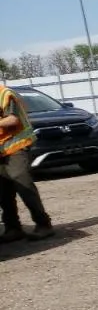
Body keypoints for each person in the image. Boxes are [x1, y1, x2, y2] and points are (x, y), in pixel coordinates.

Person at [0, 81, 54, 242]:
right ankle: (12, 228)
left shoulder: (4, 94)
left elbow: (12, 120)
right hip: (1, 149)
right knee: (3, 190)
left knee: (21, 182)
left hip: (16, 145)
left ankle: (43, 224)